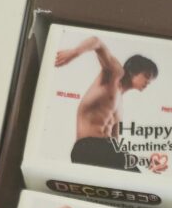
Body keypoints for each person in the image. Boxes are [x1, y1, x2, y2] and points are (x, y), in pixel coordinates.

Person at [55, 35, 158, 169]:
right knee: (132, 171)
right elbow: (96, 42)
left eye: (151, 80)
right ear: (133, 71)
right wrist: (74, 52)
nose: (148, 82)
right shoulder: (114, 75)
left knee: (131, 170)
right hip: (88, 147)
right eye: (147, 76)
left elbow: (115, 140)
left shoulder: (120, 105)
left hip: (106, 151)